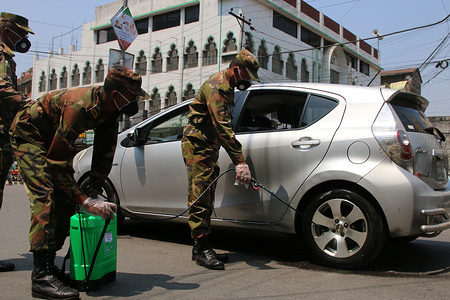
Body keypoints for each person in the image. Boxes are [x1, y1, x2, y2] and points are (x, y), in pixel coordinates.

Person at [10, 65, 147, 300]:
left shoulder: (111, 110)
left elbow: (105, 152)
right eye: (132, 97)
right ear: (116, 95)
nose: (134, 102)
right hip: (30, 134)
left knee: (66, 200)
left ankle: (50, 267)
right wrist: (85, 201)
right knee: (46, 195)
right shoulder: (79, 108)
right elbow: (55, 164)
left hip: (53, 137)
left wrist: (94, 191)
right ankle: (40, 277)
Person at [181, 49, 260, 270]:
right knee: (199, 196)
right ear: (236, 69)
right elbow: (223, 128)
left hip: (208, 145)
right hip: (197, 146)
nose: (247, 81)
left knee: (207, 194)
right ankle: (201, 248)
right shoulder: (217, 88)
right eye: (246, 75)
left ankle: (202, 247)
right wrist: (239, 160)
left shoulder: (229, 86)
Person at [0, 12, 34, 272]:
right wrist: (30, 105)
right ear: (8, 29)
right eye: (21, 32)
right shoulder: (2, 55)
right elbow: (2, 89)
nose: (23, 38)